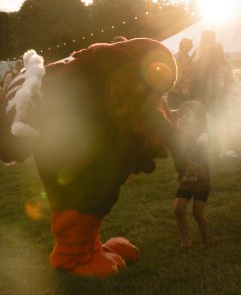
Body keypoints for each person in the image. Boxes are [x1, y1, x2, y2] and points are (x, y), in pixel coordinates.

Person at [0, 38, 179, 277]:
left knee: (97, 193)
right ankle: (70, 255)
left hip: (89, 148)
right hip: (71, 152)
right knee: (84, 191)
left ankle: (89, 246)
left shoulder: (121, 93)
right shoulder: (96, 86)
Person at [173, 100, 211, 248]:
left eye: (188, 115)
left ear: (199, 119)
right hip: (186, 180)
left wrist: (187, 133)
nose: (183, 118)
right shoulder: (180, 136)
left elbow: (202, 142)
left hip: (202, 182)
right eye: (181, 115)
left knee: (197, 214)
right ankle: (185, 240)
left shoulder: (203, 135)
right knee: (178, 209)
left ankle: (205, 241)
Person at [167, 37, 193, 109]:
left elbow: (190, 75)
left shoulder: (189, 59)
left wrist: (186, 87)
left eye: (190, 47)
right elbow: (174, 73)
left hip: (184, 91)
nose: (188, 49)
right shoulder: (176, 57)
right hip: (175, 90)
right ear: (182, 45)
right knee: (174, 110)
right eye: (187, 47)